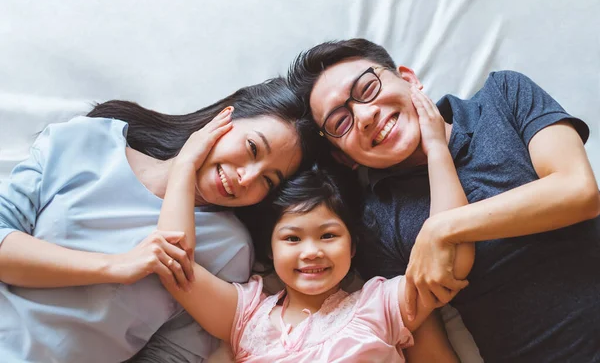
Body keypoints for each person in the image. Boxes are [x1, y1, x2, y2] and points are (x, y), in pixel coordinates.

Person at [286, 38, 600, 362]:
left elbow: (578, 191)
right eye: (341, 122)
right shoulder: (374, 224)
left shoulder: (503, 95)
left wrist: (441, 229)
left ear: (408, 79)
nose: (365, 115)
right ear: (343, 157)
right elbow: (426, 342)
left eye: (368, 89)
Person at [0, 77, 319, 363]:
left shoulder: (229, 248)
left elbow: (175, 353)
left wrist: (183, 170)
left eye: (268, 181)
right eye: (251, 148)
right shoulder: (84, 141)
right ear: (225, 117)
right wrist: (115, 266)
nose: (246, 178)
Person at [155, 88, 474, 362]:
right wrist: (185, 165)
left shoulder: (379, 306)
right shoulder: (246, 317)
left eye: (329, 235)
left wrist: (436, 149)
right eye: (292, 238)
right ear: (270, 246)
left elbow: (451, 258)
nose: (312, 252)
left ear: (353, 246)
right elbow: (174, 264)